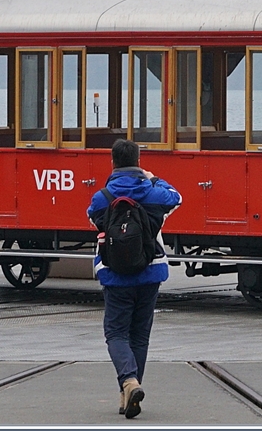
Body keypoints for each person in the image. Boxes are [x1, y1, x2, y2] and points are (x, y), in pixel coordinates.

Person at [87, 139, 181, 419]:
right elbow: (176, 198)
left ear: (112, 162)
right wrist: (154, 179)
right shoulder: (153, 193)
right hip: (150, 272)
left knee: (116, 333)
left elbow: (93, 219)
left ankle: (129, 382)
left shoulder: (102, 197)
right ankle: (130, 390)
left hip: (115, 275)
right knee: (140, 335)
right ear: (139, 161)